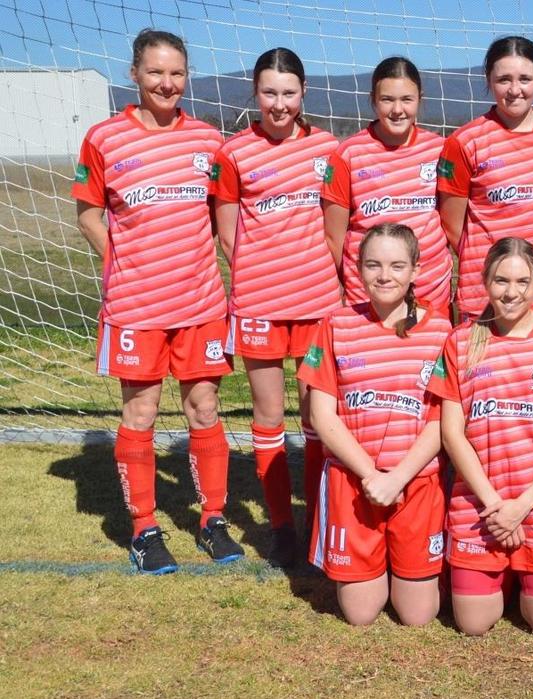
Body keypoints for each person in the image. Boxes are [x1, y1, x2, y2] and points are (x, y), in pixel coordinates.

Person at [72, 28, 242, 574]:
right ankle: (144, 528)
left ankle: (212, 519)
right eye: (155, 73)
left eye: (176, 73)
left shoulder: (209, 141)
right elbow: (88, 214)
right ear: (135, 75)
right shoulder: (104, 139)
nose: (167, 83)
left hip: (200, 304)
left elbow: (224, 217)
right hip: (136, 309)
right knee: (141, 412)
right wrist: (121, 263)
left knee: (204, 408)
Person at [212, 47, 340, 566]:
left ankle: (317, 519)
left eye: (289, 92)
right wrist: (261, 276)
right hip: (260, 304)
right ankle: (282, 528)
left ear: (303, 92)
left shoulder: (329, 148)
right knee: (269, 416)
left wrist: (314, 271)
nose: (279, 103)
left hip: (317, 305)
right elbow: (227, 232)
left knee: (317, 418)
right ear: (255, 92)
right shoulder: (234, 152)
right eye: (269, 92)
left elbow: (336, 226)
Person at [297, 223, 452, 626]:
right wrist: (371, 475)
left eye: (397, 265)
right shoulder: (335, 325)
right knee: (361, 614)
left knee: (418, 616)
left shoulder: (440, 331)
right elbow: (321, 415)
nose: (385, 276)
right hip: (354, 483)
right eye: (373, 265)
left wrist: (397, 477)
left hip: (415, 483)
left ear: (416, 270)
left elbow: (441, 420)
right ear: (358, 269)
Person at [428, 237, 533, 636]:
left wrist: (523, 506)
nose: (511, 292)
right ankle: (495, 570)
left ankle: (524, 570)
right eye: (500, 281)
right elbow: (452, 433)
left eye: (522, 281)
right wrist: (496, 505)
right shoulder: (462, 341)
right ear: (484, 281)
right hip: (480, 509)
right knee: (473, 625)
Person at [437, 37, 533, 322]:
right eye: (503, 79)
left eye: (524, 78)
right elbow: (452, 225)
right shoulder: (464, 142)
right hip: (485, 296)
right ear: (488, 80)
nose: (515, 90)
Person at [321, 56, 451, 312]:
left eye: (406, 99)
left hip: (430, 290)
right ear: (373, 100)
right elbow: (334, 237)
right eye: (387, 99)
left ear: (420, 99)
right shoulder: (348, 154)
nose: (397, 110)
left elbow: (451, 220)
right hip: (369, 292)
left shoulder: (440, 150)